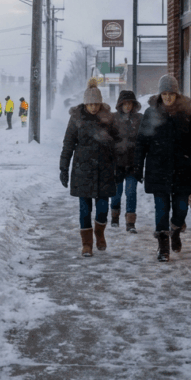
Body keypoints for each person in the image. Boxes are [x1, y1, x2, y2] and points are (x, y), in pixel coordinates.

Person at [134, 74, 191, 262]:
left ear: (176, 94)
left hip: (182, 167)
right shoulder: (151, 114)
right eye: (164, 93)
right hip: (157, 168)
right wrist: (137, 166)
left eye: (171, 93)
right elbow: (142, 142)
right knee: (161, 208)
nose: (167, 97)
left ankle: (175, 230)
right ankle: (163, 247)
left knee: (181, 209)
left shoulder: (188, 113)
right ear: (160, 95)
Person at [60, 78, 119, 257]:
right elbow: (68, 144)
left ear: (100, 103)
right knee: (84, 210)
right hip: (82, 170)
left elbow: (118, 143)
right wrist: (64, 169)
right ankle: (86, 244)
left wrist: (120, 166)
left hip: (105, 170)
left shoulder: (109, 118)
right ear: (85, 103)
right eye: (90, 104)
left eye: (96, 104)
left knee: (102, 209)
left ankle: (99, 233)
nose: (93, 107)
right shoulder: (76, 118)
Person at [111, 90, 143, 232]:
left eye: (130, 103)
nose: (128, 106)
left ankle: (130, 223)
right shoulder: (113, 119)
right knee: (116, 194)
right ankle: (114, 216)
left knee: (131, 193)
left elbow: (144, 139)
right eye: (125, 103)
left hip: (132, 163)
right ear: (120, 104)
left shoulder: (139, 119)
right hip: (117, 164)